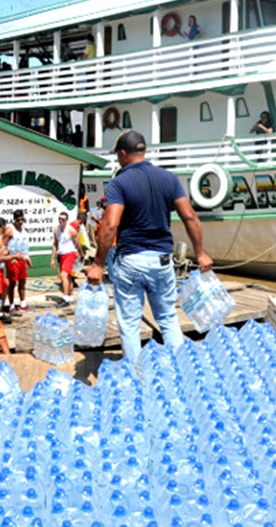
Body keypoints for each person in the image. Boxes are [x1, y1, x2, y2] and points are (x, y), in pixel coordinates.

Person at [84, 130, 213, 363]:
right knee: (167, 318)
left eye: (117, 156)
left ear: (123, 154)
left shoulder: (119, 183)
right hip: (162, 260)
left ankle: (136, 375)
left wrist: (97, 264)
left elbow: (110, 225)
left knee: (131, 325)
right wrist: (201, 253)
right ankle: (179, 372)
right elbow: (190, 217)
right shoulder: (169, 178)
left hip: (131, 260)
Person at [51, 210, 84, 307]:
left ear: (67, 220)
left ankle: (65, 298)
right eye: (59, 219)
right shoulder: (56, 229)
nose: (61, 221)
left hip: (70, 254)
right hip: (62, 254)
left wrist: (81, 254)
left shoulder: (71, 230)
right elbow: (55, 244)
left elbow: (77, 243)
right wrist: (52, 258)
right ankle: (70, 295)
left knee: (63, 275)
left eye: (63, 219)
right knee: (68, 277)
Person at [3, 209, 31, 314]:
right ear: (14, 220)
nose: (20, 222)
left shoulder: (24, 229)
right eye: (18, 220)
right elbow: (2, 246)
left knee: (23, 281)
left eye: (22, 219)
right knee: (12, 282)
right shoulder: (9, 231)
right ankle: (11, 305)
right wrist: (10, 257)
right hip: (12, 259)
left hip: (22, 258)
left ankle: (23, 303)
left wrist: (27, 257)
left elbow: (25, 245)